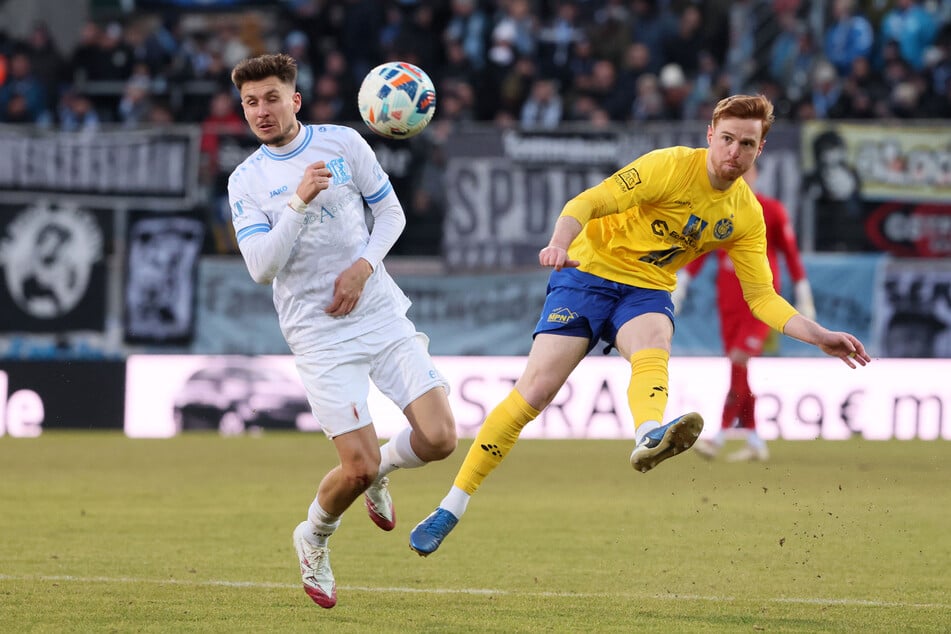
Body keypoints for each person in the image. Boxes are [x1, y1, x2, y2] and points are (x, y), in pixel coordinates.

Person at [408, 94, 871, 557]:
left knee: (654, 338)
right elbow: (589, 200)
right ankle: (453, 504)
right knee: (535, 393)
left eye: (746, 144)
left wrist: (820, 336)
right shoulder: (668, 167)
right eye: (727, 139)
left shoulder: (745, 215)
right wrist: (558, 242)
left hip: (646, 289)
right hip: (587, 274)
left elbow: (762, 297)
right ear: (710, 135)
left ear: (759, 150)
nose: (734, 151)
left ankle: (649, 434)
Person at [227, 53, 457, 609]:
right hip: (317, 332)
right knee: (357, 468)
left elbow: (392, 215)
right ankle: (314, 535)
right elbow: (261, 267)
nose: (261, 110)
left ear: (295, 100)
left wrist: (364, 267)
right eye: (251, 102)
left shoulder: (344, 143)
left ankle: (386, 466)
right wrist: (299, 202)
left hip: (377, 311)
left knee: (441, 438)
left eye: (272, 98)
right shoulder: (247, 179)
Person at [673, 162, 816, 462]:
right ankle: (754, 439)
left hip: (760, 301)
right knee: (740, 369)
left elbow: (790, 254)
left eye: (747, 172)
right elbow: (701, 249)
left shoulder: (772, 210)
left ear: (756, 174)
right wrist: (683, 281)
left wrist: (803, 293)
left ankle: (720, 436)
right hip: (729, 299)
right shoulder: (721, 208)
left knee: (739, 360)